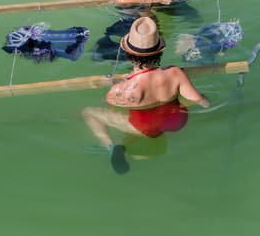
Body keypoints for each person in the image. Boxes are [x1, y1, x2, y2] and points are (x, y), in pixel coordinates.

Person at [82, 16, 211, 174]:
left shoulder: (122, 90)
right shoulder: (175, 72)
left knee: (89, 112)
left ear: (128, 52)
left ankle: (111, 146)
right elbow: (201, 101)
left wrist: (117, 84)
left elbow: (109, 104)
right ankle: (133, 142)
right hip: (175, 120)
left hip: (144, 127)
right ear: (160, 51)